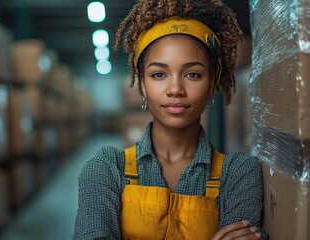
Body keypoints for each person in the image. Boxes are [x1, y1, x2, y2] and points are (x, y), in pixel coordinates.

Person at [74, 0, 267, 239]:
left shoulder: (238, 173)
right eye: (159, 74)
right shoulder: (107, 168)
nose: (175, 88)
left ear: (210, 85)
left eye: (192, 74)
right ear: (143, 86)